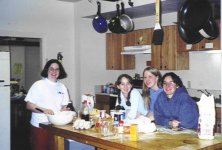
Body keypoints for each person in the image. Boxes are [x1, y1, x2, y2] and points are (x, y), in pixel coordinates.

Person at [25, 59, 71, 150]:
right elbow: (29, 105)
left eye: (57, 69)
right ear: (47, 70)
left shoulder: (62, 87)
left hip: (56, 126)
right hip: (40, 126)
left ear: (60, 72)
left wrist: (64, 110)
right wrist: (44, 110)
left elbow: (63, 106)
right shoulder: (38, 85)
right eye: (51, 69)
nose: (54, 71)